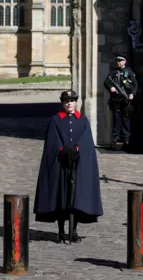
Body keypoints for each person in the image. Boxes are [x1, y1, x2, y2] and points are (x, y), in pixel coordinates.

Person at [33, 90, 103, 243]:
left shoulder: (83, 120)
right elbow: (52, 140)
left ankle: (74, 230)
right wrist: (62, 150)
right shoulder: (56, 120)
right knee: (61, 197)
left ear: (76, 102)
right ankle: (61, 230)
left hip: (77, 164)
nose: (69, 103)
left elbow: (86, 141)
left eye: (71, 100)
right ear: (62, 103)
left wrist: (78, 149)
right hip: (61, 164)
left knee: (75, 198)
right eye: (66, 101)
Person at [103, 55, 138, 148]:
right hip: (116, 99)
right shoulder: (113, 72)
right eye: (117, 61)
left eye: (120, 61)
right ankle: (116, 137)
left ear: (124, 61)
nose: (118, 62)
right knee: (116, 119)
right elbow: (106, 82)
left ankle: (126, 138)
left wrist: (132, 94)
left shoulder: (129, 72)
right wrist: (111, 87)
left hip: (126, 99)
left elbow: (135, 85)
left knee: (126, 118)